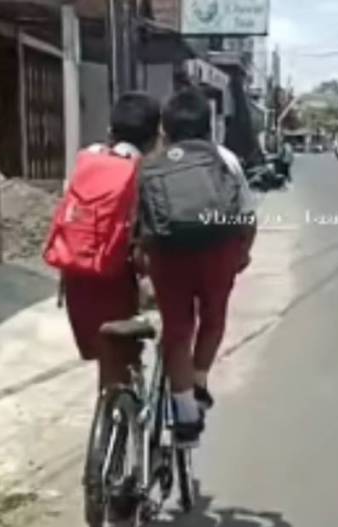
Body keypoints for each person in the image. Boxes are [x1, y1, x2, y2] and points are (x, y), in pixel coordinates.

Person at [139, 88, 257, 447]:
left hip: (167, 252)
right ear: (209, 128)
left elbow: (140, 221)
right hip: (218, 252)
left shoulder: (154, 163)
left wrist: (143, 261)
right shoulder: (225, 159)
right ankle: (200, 379)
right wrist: (242, 253)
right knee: (213, 317)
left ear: (166, 129)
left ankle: (185, 417)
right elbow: (247, 216)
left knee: (177, 331)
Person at [45, 93, 162, 391]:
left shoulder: (86, 161)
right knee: (123, 357)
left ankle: (109, 421)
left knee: (105, 360)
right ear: (153, 139)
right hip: (115, 283)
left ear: (111, 130)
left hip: (76, 280)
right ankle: (125, 425)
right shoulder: (143, 173)